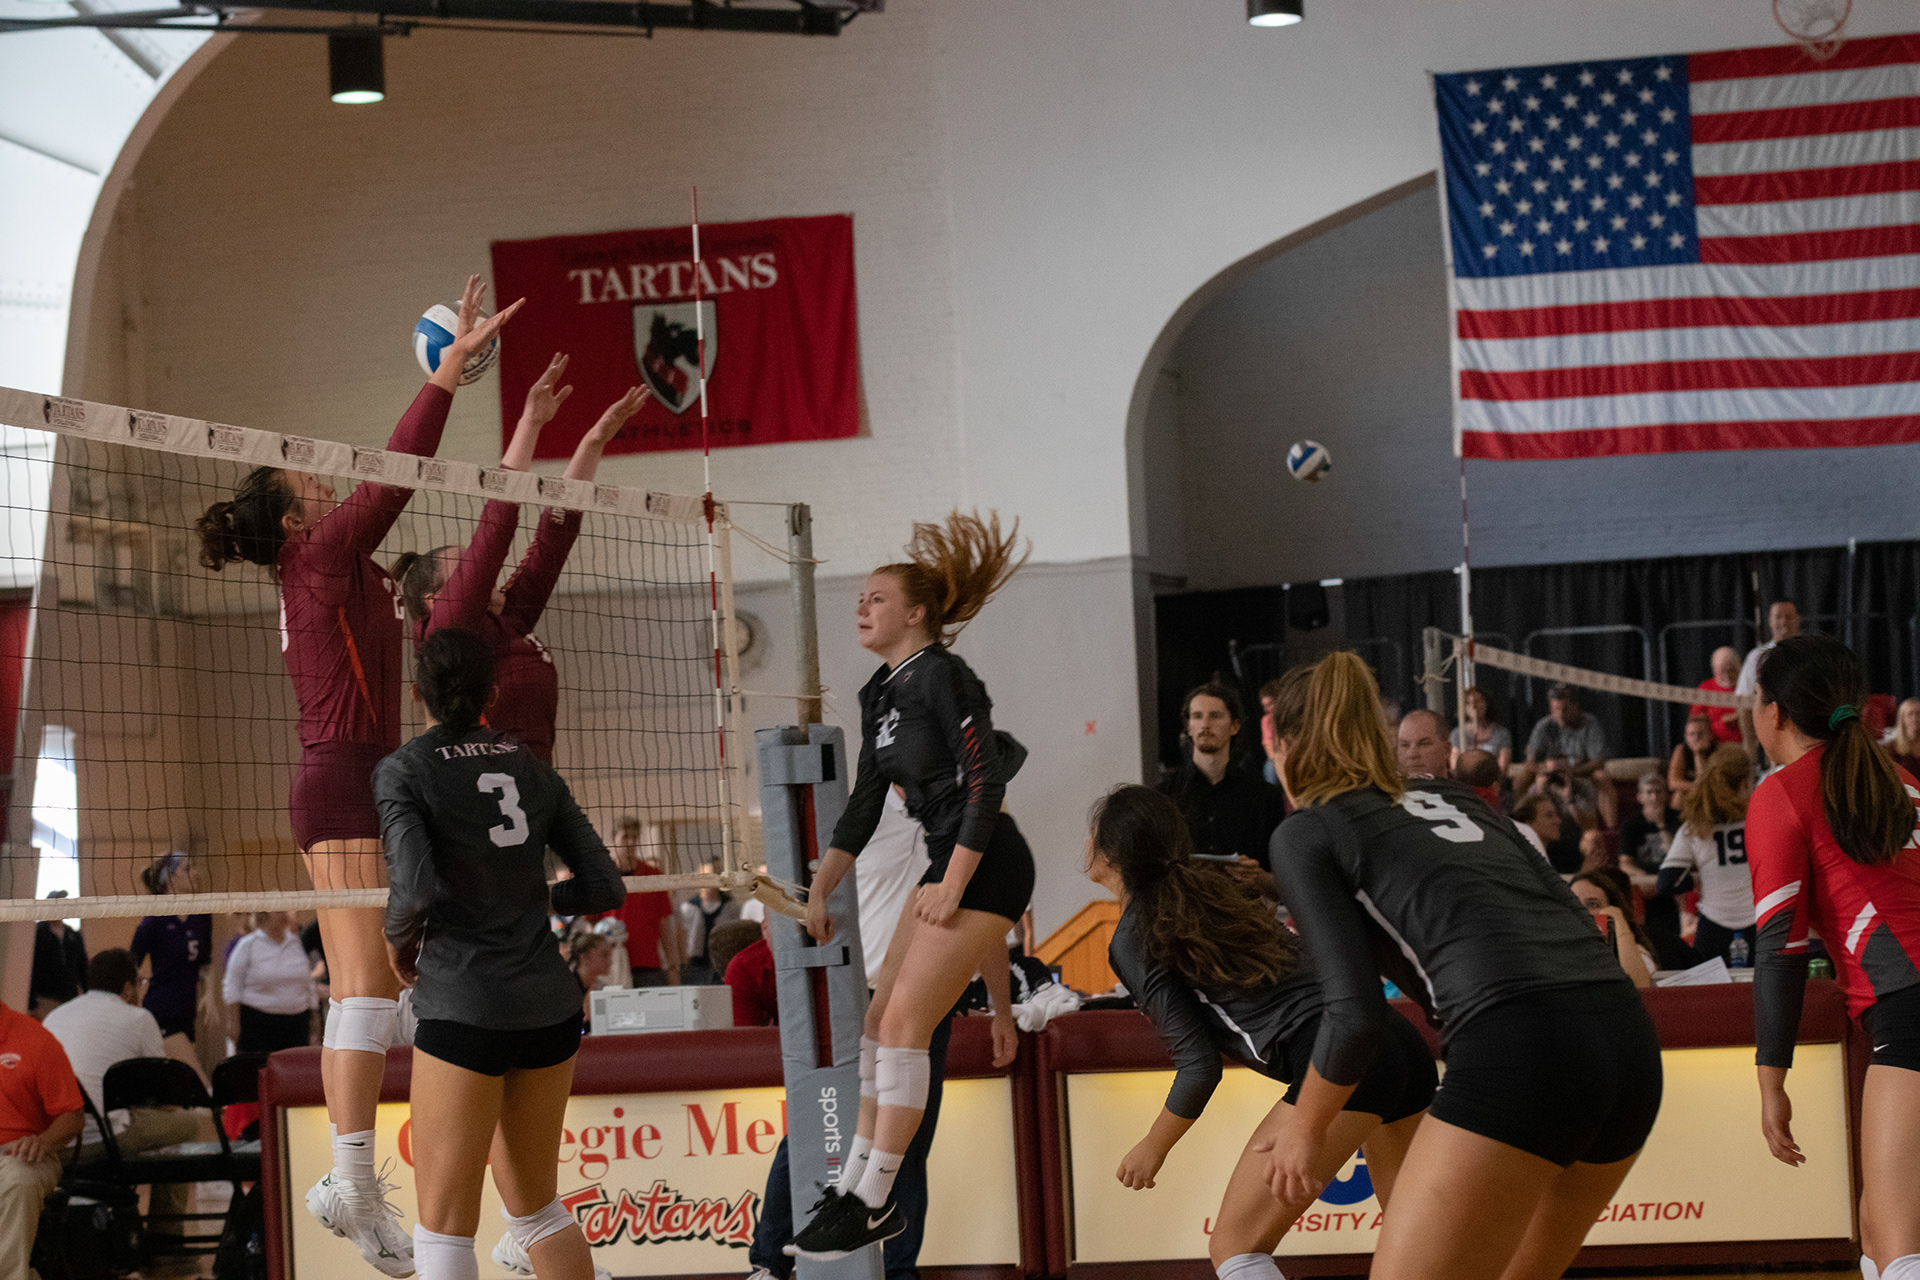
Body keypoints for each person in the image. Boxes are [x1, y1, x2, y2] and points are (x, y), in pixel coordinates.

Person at [196, 275, 518, 1276]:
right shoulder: (321, 557)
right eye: (306, 478)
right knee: (369, 986)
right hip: (340, 777)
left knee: (408, 980)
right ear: (293, 520)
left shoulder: (340, 566)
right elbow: (397, 472)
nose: (323, 479)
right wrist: (446, 379)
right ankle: (348, 1177)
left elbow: (401, 519)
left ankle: (477, 1207)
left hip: (370, 777)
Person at [1267, 653, 1661, 1280]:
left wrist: (1305, 1127)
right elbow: (1565, 916)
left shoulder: (1307, 831)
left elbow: (1355, 1015)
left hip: (1521, 1048)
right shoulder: (1461, 800)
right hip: (1627, 1044)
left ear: (1277, 742)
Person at [789, 511, 1032, 1259]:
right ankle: (856, 1190)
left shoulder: (944, 675)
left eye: (876, 598)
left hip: (984, 860)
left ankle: (874, 1199)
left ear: (917, 612)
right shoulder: (880, 692)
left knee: (903, 1028)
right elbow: (864, 804)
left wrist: (953, 882)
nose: (861, 608)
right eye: (859, 599)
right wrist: (820, 890)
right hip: (947, 862)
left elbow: (987, 780)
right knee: (875, 1025)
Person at [1090, 785, 1433, 1280]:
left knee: (1236, 1247)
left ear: (1108, 853)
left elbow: (1199, 1065)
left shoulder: (1132, 935)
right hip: (1398, 1041)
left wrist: (1154, 1145)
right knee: (1414, 1241)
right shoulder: (1217, 891)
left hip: (1339, 1058)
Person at [378, 628, 624, 1280]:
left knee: (442, 1227)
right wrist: (535, 894)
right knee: (539, 1210)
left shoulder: (404, 769)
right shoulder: (532, 769)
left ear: (416, 694)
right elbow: (605, 886)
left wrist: (396, 940)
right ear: (491, 694)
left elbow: (415, 888)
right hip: (548, 1005)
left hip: (464, 1003)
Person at [1745, 634, 1920, 1280]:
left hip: (1909, 1016)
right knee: (1877, 1227)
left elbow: (1780, 951)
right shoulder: (1895, 777)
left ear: (1775, 714)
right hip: (1905, 1014)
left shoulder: (1782, 793)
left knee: (1899, 1248)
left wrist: (1771, 1083)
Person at [392, 363, 649, 765]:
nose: (482, 570)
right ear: (434, 599)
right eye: (466, 567)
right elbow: (495, 530)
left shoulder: (507, 620)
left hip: (533, 784)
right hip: (484, 785)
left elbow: (554, 538)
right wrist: (529, 423)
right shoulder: (445, 630)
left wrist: (593, 442)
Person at [747, 788, 939, 1280]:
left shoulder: (961, 828)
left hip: (930, 994)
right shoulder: (862, 815)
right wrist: (810, 903)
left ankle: (899, 1270)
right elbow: (777, 896)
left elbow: (983, 917)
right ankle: (768, 1261)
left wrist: (1001, 1011)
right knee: (817, 1120)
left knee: (906, 1143)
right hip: (858, 991)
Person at [43, 950, 198, 1236]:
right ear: (128, 987)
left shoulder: (56, 1016)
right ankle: (166, 1247)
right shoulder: (138, 1018)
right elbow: (161, 1095)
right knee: (186, 1124)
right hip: (99, 1138)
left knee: (144, 1121)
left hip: (53, 1139)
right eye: (140, 983)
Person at [0, 994, 85, 1280]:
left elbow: (74, 1117)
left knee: (17, 1180)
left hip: (23, 1151)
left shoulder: (36, 1040)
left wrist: (43, 1141)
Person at [1160, 683, 1287, 864]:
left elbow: (1277, 872)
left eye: (1215, 716)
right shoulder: (1164, 796)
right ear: (1188, 727)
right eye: (1197, 716)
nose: (1205, 724)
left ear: (1234, 726)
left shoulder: (1265, 797)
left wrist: (1259, 878)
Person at [1658, 746, 1756, 965]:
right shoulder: (1762, 819)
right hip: (1760, 924)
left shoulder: (1694, 827)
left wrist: (1696, 880)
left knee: (1711, 996)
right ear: (1743, 784)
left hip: (1713, 927)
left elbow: (1666, 881)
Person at [130, 853, 213, 1061]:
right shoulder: (155, 918)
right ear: (170, 877)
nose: (196, 873)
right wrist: (132, 1000)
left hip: (187, 1011)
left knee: (178, 1080)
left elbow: (204, 962)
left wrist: (209, 993)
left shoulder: (201, 914)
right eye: (187, 868)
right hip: (160, 1009)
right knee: (192, 1077)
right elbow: (131, 964)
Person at [1615, 772, 1694, 970]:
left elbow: (1680, 857)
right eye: (1648, 792)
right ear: (1639, 797)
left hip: (1672, 883)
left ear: (1666, 795)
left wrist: (1661, 826)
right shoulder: (1631, 825)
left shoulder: (1677, 819)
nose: (1654, 797)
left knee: (1676, 882)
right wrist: (1643, 879)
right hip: (1646, 886)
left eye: (1658, 792)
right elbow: (1625, 863)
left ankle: (1684, 927)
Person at [599, 817, 682, 986]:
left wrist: (673, 969)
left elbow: (665, 926)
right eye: (625, 837)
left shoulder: (653, 876)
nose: (630, 842)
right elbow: (590, 928)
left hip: (648, 966)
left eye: (634, 837)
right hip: (611, 966)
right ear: (614, 840)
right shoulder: (601, 876)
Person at [224, 911, 318, 1054]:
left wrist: (314, 1016)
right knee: (261, 1070)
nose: (284, 915)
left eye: (284, 911)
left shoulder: (296, 943)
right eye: (278, 911)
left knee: (293, 1069)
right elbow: (232, 984)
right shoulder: (248, 944)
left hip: (296, 1023)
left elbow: (308, 983)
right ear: (264, 915)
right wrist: (233, 1021)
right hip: (258, 1022)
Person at [1522, 684, 1615, 827]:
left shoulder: (1590, 723)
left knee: (1601, 776)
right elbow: (1530, 761)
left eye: (1564, 709)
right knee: (1522, 780)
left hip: (1580, 773)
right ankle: (1524, 828)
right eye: (1555, 709)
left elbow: (1597, 761)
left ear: (1575, 706)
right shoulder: (1544, 726)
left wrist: (1570, 772)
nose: (1560, 714)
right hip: (1549, 773)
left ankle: (1610, 830)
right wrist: (1546, 771)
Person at [1739, 601, 1803, 763]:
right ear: (1769, 621)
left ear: (1798, 619)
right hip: (1770, 735)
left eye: (1788, 617)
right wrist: (1750, 749)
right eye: (1778, 617)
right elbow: (1743, 701)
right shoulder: (1756, 657)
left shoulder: (1812, 654)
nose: (1783, 622)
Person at [1568, 870, 1655, 987]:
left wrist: (1619, 922)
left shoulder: (1634, 953)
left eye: (1593, 904)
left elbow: (1638, 988)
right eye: (1575, 904)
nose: (1583, 913)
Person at [677, 869, 745, 986]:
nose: (708, 884)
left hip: (721, 962)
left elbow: (737, 935)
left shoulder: (730, 906)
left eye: (711, 878)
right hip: (696, 963)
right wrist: (683, 959)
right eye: (705, 878)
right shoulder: (688, 907)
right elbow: (682, 934)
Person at [29, 902, 87, 1020]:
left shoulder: (73, 934)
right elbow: (32, 968)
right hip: (46, 997)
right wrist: (32, 1003)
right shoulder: (39, 932)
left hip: (70, 996)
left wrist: (88, 995)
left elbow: (82, 966)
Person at [1450, 686, 1513, 773]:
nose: (1474, 706)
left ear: (1486, 703)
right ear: (1464, 708)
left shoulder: (1501, 733)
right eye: (1468, 703)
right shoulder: (1457, 734)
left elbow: (1503, 767)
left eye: (1478, 701)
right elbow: (1453, 765)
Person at [1668, 714, 1723, 812]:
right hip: (1692, 789)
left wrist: (1698, 754)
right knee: (1678, 796)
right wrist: (1697, 787)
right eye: (1691, 734)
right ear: (1686, 737)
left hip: (1714, 790)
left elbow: (1714, 781)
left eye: (1701, 734)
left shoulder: (1719, 749)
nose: (1696, 738)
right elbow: (1673, 782)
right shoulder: (1681, 750)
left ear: (1710, 735)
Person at [1691, 646, 1744, 746]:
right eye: (1722, 671)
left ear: (1739, 667)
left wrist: (1740, 716)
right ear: (1714, 670)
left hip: (1744, 745)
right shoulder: (1705, 689)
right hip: (1714, 746)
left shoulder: (1746, 687)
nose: (1727, 676)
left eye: (1731, 670)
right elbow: (1695, 723)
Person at [566, 934, 615, 1020]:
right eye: (604, 955)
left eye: (610, 956)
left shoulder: (600, 986)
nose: (610, 961)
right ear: (584, 957)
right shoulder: (566, 985)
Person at [1396, 709, 1451, 780]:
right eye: (1405, 745)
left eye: (1424, 744)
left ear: (1446, 750)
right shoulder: (1385, 789)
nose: (1412, 754)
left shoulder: (1463, 790)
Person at [1886, 697, 1920, 778]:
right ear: (1902, 718)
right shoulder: (1892, 748)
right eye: (1910, 714)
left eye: (1918, 713)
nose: (1914, 718)